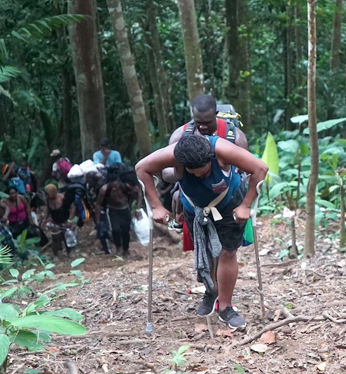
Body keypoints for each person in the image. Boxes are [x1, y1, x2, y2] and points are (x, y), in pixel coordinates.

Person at [136, 134, 267, 329]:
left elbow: (260, 168)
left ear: (211, 160)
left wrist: (246, 205)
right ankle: (211, 291)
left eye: (203, 172)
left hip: (229, 203)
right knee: (204, 252)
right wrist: (156, 206)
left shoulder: (221, 150)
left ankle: (225, 307)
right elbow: (142, 168)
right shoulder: (173, 155)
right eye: (193, 173)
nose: (199, 176)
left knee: (227, 251)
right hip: (194, 206)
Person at [163, 95, 249, 247]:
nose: (202, 127)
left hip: (227, 195)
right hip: (193, 198)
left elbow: (247, 169)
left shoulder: (235, 137)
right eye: (198, 122)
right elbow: (165, 171)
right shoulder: (180, 136)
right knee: (177, 195)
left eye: (207, 122)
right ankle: (179, 220)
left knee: (227, 252)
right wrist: (179, 173)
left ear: (216, 114)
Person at [94, 169, 141, 257]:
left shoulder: (126, 186)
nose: (114, 188)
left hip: (125, 209)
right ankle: (118, 248)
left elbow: (139, 193)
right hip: (113, 210)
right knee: (115, 230)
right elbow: (98, 204)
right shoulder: (104, 190)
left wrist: (137, 209)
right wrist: (97, 220)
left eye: (116, 186)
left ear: (119, 182)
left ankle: (126, 249)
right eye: (113, 187)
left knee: (126, 230)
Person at [43, 184, 73, 259]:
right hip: (55, 221)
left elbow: (72, 208)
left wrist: (70, 220)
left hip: (65, 221)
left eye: (48, 194)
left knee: (67, 238)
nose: (47, 195)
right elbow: (48, 210)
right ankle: (55, 255)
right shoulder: (48, 200)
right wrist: (45, 219)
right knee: (55, 239)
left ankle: (69, 254)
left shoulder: (62, 198)